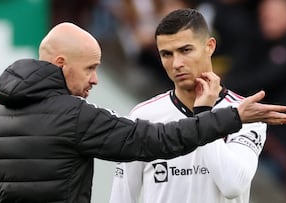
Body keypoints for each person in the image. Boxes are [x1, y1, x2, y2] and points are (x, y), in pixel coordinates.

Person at [0, 22, 286, 203]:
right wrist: (226, 115)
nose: (95, 79)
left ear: (208, 47)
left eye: (184, 50)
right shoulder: (75, 115)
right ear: (61, 65)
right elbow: (153, 140)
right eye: (90, 68)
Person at [110, 8, 273, 203]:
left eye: (185, 50)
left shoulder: (246, 113)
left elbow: (233, 185)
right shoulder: (142, 116)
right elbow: (121, 197)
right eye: (166, 54)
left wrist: (203, 114)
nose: (177, 63)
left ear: (210, 46)